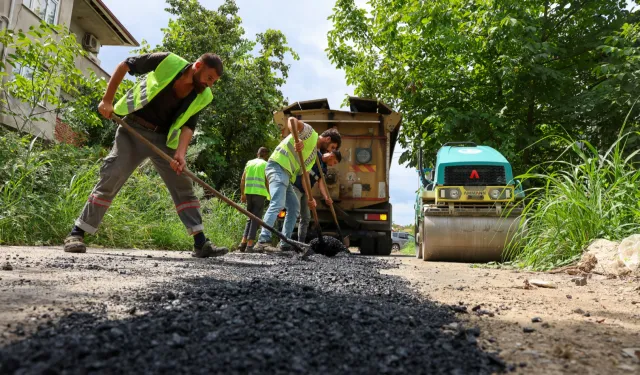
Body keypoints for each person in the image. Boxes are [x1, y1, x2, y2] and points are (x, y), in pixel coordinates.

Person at [63, 51, 228, 258]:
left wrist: (180, 154)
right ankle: (77, 233)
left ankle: (200, 242)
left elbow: (188, 126)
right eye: (209, 78)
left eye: (214, 81)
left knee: (182, 183)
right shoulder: (168, 61)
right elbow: (125, 65)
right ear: (197, 66)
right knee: (113, 174)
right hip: (133, 129)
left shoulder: (203, 95)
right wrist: (107, 100)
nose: (210, 84)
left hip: (163, 139)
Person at [254, 119, 341, 251]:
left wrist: (310, 197)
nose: (331, 150)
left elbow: (305, 176)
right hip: (277, 165)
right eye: (333, 147)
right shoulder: (310, 133)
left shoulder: (313, 156)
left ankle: (284, 244)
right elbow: (292, 121)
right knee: (278, 203)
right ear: (328, 139)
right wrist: (296, 139)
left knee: (294, 207)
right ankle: (263, 241)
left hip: (287, 175)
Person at [292, 150, 341, 244]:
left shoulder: (324, 168)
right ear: (331, 156)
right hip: (296, 186)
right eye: (334, 162)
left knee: (306, 217)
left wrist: (326, 197)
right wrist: (309, 195)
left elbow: (321, 183)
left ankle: (301, 243)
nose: (333, 165)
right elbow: (304, 176)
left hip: (306, 191)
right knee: (293, 212)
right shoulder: (314, 155)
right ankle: (284, 242)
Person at [238, 147, 271, 252]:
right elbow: (267, 182)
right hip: (260, 194)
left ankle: (243, 242)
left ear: (257, 153)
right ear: (266, 156)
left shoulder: (249, 163)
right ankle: (250, 244)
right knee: (255, 218)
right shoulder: (266, 165)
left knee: (250, 217)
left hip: (249, 193)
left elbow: (243, 179)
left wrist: (242, 194)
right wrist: (270, 195)